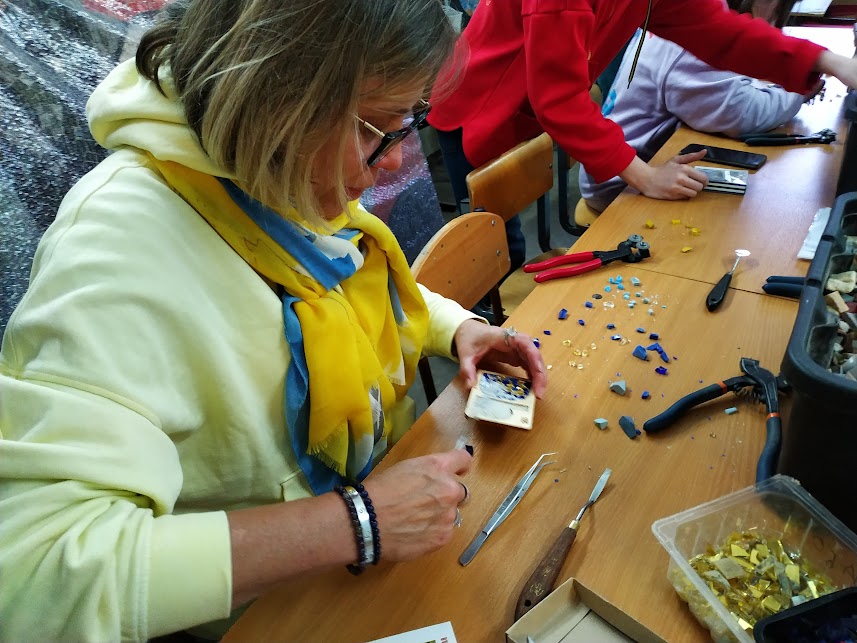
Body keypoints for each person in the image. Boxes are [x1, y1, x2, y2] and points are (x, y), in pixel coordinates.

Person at [0, 1, 547, 640]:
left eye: (404, 123)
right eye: (375, 127)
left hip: (373, 533)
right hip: (277, 612)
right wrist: (357, 523)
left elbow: (339, 287)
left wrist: (456, 328)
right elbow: (36, 578)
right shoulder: (114, 255)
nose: (396, 161)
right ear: (278, 96)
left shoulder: (267, 168)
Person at [428, 0, 857, 252]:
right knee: (491, 245)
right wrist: (644, 174)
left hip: (519, 103)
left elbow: (720, 32)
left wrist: (826, 61)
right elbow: (558, 99)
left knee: (503, 235)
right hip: (476, 104)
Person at [579, 0, 819, 212]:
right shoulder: (692, 37)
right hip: (620, 183)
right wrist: (798, 90)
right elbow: (743, 113)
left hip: (640, 164)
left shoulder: (693, 17)